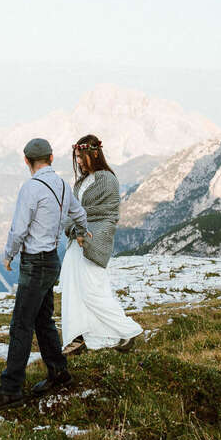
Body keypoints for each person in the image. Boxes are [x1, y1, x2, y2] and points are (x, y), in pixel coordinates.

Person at [0, 138, 90, 411]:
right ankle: (59, 373)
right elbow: (79, 213)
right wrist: (82, 233)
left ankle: (11, 390)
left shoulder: (31, 188)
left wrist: (8, 255)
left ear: (26, 161)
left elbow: (19, 229)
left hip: (34, 262)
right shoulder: (63, 185)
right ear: (51, 158)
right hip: (52, 260)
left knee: (20, 326)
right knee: (43, 320)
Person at [59, 134, 143, 355]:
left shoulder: (107, 179)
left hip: (91, 242)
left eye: (80, 157)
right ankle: (78, 337)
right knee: (72, 289)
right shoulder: (83, 181)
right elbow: (76, 210)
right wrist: (74, 226)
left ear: (93, 154)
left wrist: (81, 229)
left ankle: (128, 330)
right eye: (76, 157)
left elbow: (105, 213)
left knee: (93, 291)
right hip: (76, 242)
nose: (78, 162)